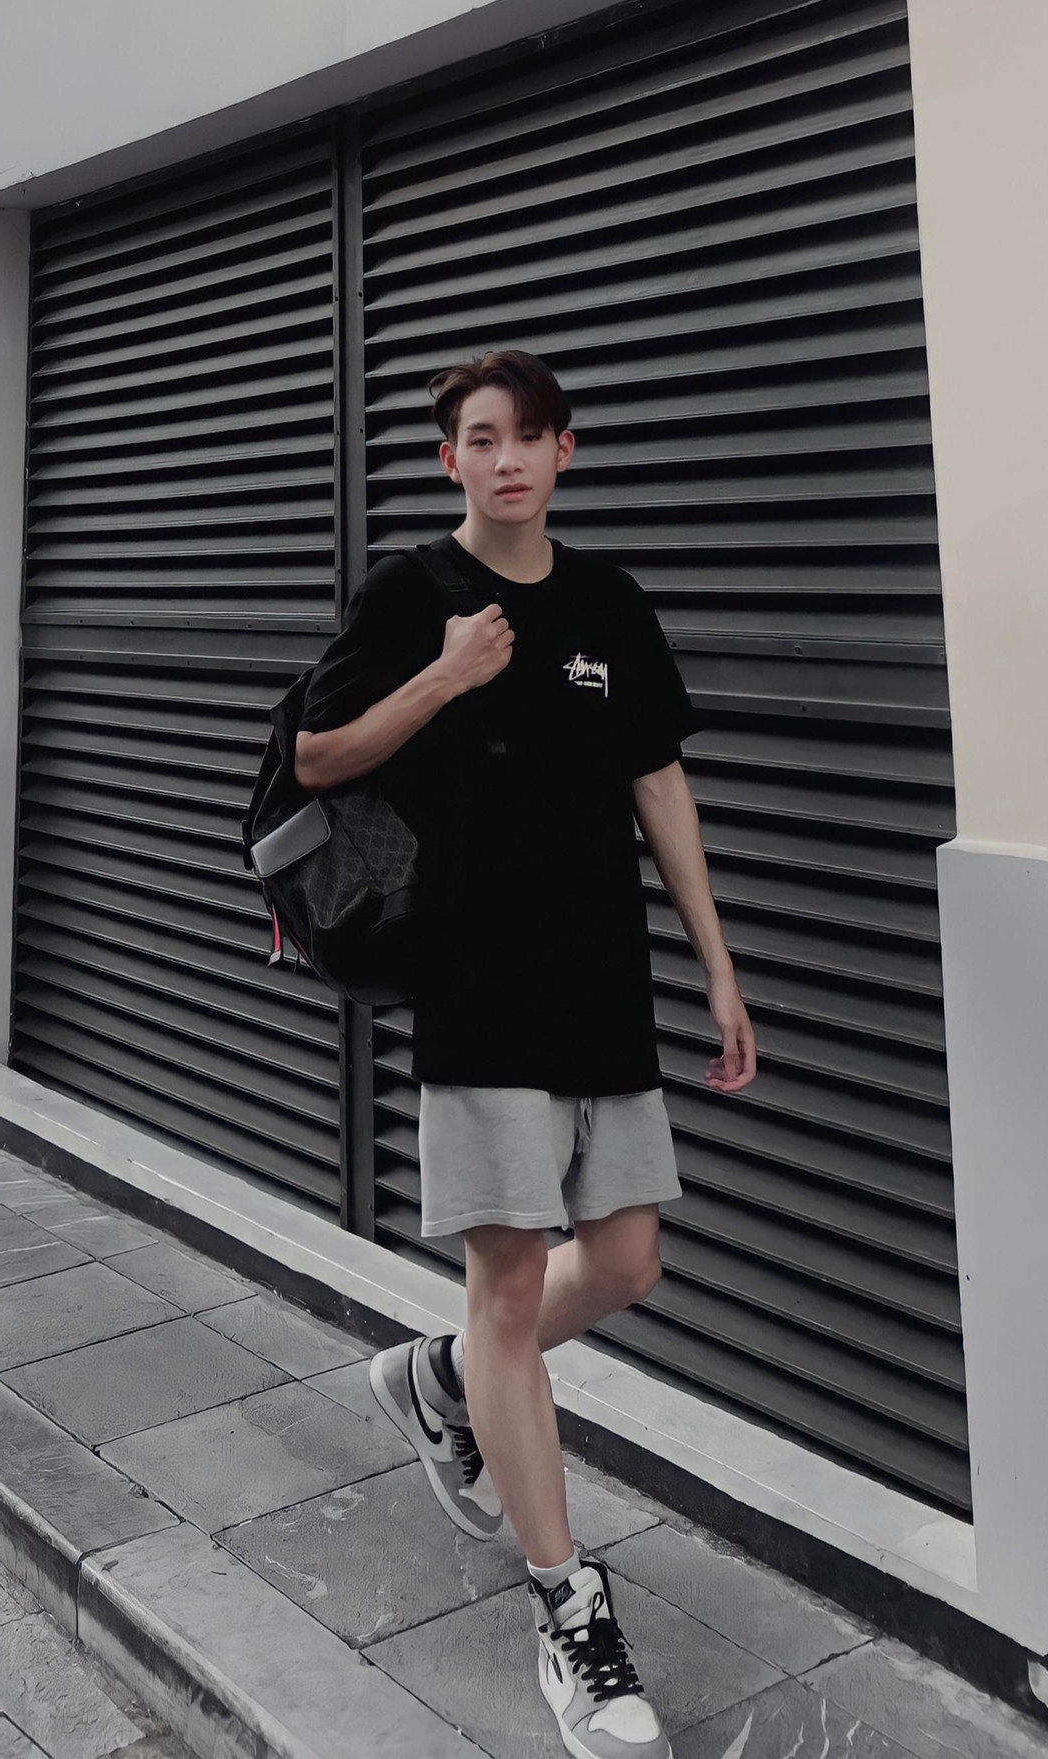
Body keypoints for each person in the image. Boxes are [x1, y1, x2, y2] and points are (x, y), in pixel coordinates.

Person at [294, 348, 757, 1759]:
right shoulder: (409, 592)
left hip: (602, 979)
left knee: (625, 1262)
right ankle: (570, 1612)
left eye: (528, 437)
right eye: (479, 439)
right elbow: (319, 757)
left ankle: (440, 1380)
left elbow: (656, 779)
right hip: (479, 983)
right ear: (450, 460)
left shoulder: (610, 600)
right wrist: (443, 678)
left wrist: (716, 963)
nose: (505, 460)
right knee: (507, 1285)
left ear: (566, 451)